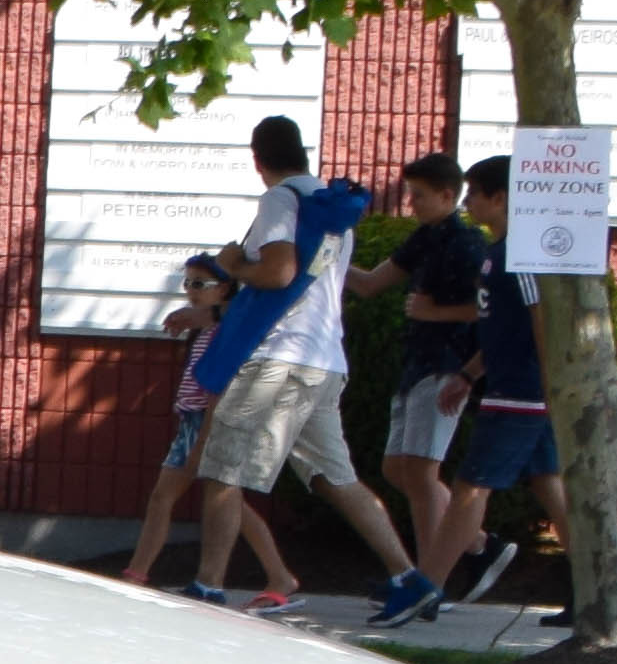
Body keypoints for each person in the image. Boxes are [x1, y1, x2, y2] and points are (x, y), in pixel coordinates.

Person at [187, 117, 443, 621]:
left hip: (277, 358)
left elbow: (278, 271)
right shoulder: (333, 209)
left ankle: (207, 590)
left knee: (221, 469)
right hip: (325, 360)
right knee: (334, 477)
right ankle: (408, 579)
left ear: (257, 159)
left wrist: (234, 264)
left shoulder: (281, 201)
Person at [430, 154, 574, 606]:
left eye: (474, 193)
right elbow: (503, 328)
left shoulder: (523, 254)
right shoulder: (498, 253)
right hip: (509, 385)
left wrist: (551, 386)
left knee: (471, 486)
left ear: (501, 197)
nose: (468, 201)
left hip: (522, 394)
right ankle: (593, 589)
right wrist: (471, 373)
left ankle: (424, 588)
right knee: (549, 483)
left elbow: (541, 320)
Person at [122, 254, 301, 598]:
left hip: (209, 420)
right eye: (187, 283)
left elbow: (221, 388)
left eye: (200, 284)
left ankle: (137, 574)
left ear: (224, 290)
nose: (191, 291)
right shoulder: (204, 329)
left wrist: (203, 441)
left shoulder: (226, 332)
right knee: (224, 504)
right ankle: (279, 575)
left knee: (168, 497)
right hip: (192, 419)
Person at [350, 152, 488, 562]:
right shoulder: (425, 237)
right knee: (397, 468)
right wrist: (325, 262)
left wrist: (434, 313)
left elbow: (487, 309)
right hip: (416, 363)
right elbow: (373, 283)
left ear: (447, 195)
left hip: (448, 364)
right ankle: (477, 540)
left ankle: (429, 577)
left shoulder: (468, 244)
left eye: (418, 196)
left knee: (422, 472)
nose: (410, 204)